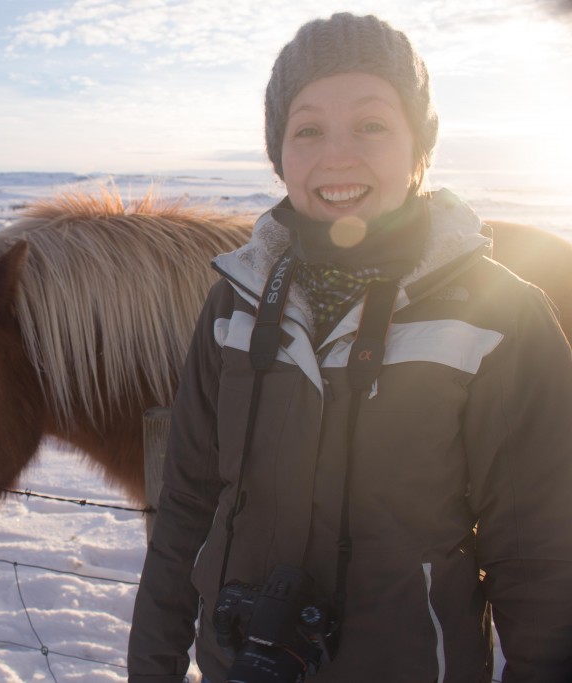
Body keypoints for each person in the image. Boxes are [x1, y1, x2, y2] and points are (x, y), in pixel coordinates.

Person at [128, 12, 572, 683]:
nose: (339, 156)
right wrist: (150, 669)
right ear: (280, 155)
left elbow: (541, 559)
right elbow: (186, 508)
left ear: (420, 147)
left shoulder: (498, 317)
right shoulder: (234, 306)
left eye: (371, 125)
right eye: (307, 129)